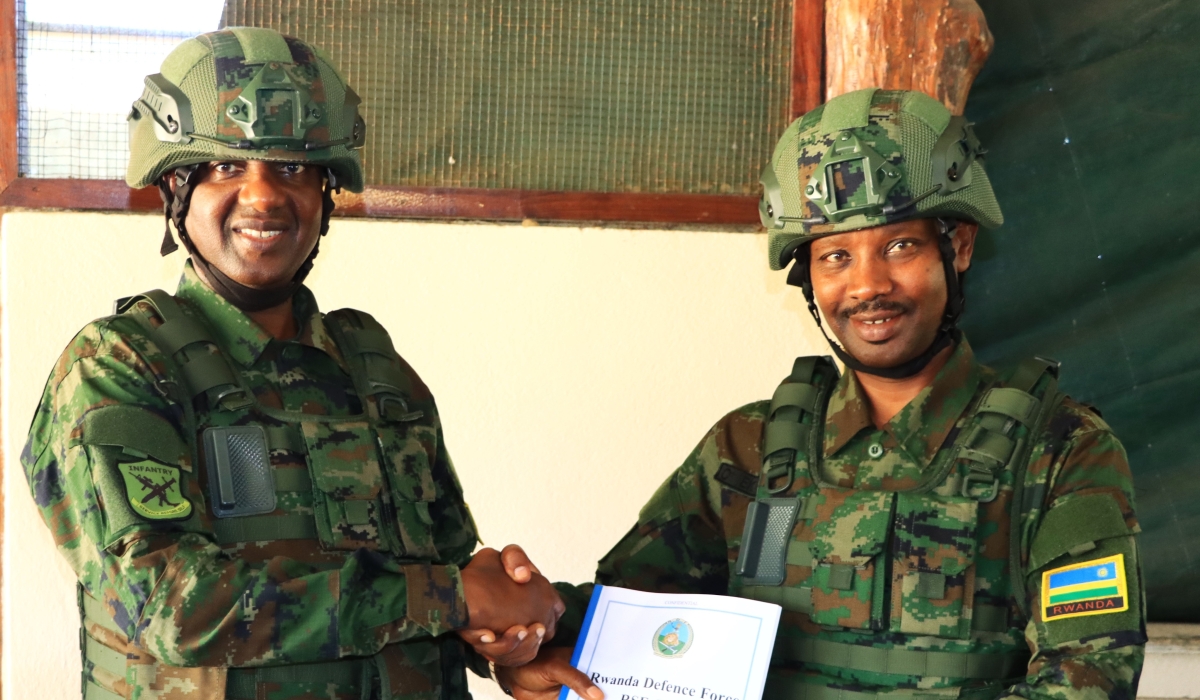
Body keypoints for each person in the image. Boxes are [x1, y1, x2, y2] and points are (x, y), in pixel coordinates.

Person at [478, 89, 1147, 700]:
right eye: (835, 257)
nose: (867, 286)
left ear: (959, 245)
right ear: (808, 277)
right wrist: (529, 631)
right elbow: (638, 618)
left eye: (901, 246)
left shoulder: (1060, 451)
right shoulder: (748, 446)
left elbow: (1088, 677)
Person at [22, 27, 560, 700]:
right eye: (225, 168)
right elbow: (172, 608)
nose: (264, 196)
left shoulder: (371, 365)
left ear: (325, 194)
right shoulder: (120, 366)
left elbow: (449, 567)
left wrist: (513, 638)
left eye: (293, 169)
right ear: (176, 188)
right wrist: (452, 600)